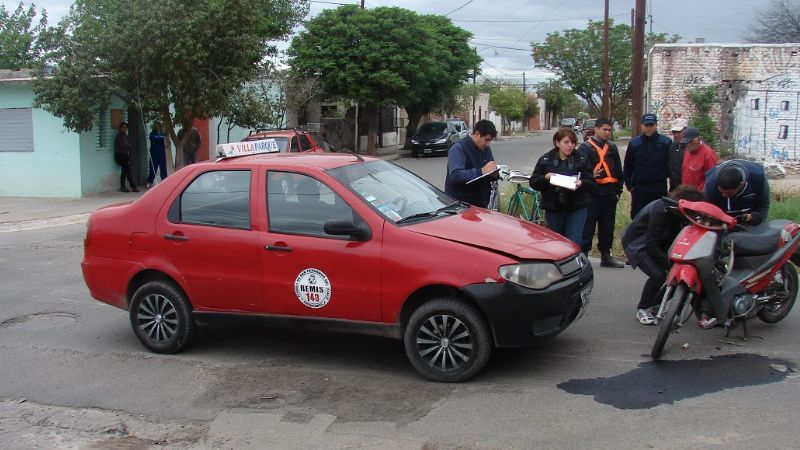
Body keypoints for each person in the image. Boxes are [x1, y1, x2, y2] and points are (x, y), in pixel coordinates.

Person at [622, 185, 704, 325]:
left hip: (661, 243)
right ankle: (643, 308)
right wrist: (669, 265)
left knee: (681, 275)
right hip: (638, 243)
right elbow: (651, 245)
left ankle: (656, 303)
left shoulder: (682, 214)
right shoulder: (661, 210)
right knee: (658, 275)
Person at [529, 127, 595, 245]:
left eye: (573, 142)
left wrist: (581, 183)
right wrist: (545, 178)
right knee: (557, 244)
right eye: (566, 142)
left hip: (576, 207)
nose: (570, 145)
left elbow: (591, 182)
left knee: (573, 243)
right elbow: (534, 182)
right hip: (554, 208)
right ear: (557, 143)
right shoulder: (546, 160)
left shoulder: (581, 159)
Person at [578, 117, 625, 268]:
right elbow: (580, 170)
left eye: (609, 130)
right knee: (588, 225)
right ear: (596, 129)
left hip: (609, 192)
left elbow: (618, 170)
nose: (607, 132)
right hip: (592, 192)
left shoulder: (612, 147)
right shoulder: (585, 148)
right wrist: (590, 175)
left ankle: (606, 255)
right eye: (604, 129)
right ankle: (584, 255)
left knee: (607, 225)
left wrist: (618, 190)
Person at [624, 113, 672, 218]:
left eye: (651, 125)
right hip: (640, 187)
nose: (649, 128)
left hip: (659, 187)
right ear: (642, 125)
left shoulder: (666, 143)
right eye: (646, 125)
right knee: (638, 217)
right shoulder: (634, 144)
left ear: (656, 125)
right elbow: (628, 166)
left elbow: (671, 165)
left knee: (658, 217)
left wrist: (671, 186)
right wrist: (629, 185)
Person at [444, 119, 498, 208]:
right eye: (486, 140)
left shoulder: (486, 149)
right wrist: (481, 171)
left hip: (481, 204)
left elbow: (488, 171)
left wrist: (493, 174)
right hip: (460, 206)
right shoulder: (458, 148)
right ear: (476, 134)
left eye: (490, 140)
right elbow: (456, 175)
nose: (488, 144)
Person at [704, 159, 770, 226]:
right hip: (720, 222)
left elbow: (763, 205)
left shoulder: (758, 179)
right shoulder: (710, 184)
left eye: (729, 193)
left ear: (741, 185)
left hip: (748, 220)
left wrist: (758, 224)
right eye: (721, 192)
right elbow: (707, 208)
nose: (724, 195)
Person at [114, 122, 138, 193]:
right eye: (123, 127)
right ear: (120, 128)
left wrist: (127, 144)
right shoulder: (119, 136)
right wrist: (127, 144)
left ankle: (124, 186)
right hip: (120, 155)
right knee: (127, 170)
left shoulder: (125, 136)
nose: (125, 129)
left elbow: (130, 145)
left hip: (125, 155)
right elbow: (124, 145)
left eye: (126, 127)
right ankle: (131, 186)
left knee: (125, 171)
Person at [667, 118, 687, 191]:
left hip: (687, 190)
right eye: (674, 132)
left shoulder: (690, 148)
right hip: (674, 189)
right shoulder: (672, 147)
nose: (676, 135)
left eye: (678, 132)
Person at [146, 123, 167, 188]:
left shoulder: (162, 133)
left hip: (162, 153)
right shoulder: (152, 134)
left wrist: (159, 138)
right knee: (153, 168)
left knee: (163, 168)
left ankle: (164, 181)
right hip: (154, 154)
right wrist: (160, 138)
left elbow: (163, 139)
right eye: (157, 126)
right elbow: (154, 139)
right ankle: (150, 181)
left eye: (159, 126)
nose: (159, 127)